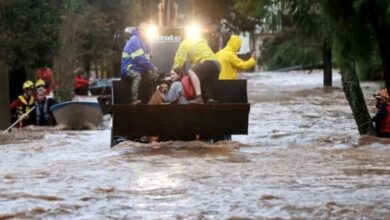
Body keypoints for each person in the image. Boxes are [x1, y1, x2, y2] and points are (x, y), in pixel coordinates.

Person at [173, 37, 220, 104]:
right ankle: (209, 99)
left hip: (207, 61)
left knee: (191, 72)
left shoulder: (186, 42)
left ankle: (199, 97)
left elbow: (180, 55)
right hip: (216, 64)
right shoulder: (202, 42)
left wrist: (176, 67)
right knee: (205, 80)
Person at [121, 22, 159, 104]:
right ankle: (134, 100)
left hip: (140, 69)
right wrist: (152, 67)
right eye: (143, 30)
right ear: (139, 31)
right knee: (136, 75)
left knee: (154, 77)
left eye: (146, 31)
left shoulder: (146, 43)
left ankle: (151, 99)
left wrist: (152, 71)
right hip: (129, 68)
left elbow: (148, 58)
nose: (145, 33)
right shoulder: (134, 40)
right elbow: (139, 59)